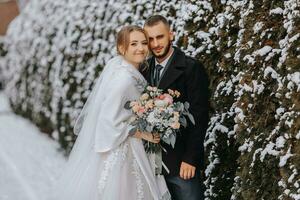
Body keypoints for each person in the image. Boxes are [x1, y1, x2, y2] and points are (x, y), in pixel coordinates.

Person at [55, 25, 171, 200]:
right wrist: (143, 134)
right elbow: (108, 121)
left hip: (133, 146)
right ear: (121, 48)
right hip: (123, 151)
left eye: (143, 43)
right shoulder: (123, 80)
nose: (140, 48)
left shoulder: (128, 70)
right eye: (133, 44)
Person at [143, 15, 209, 200]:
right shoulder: (144, 69)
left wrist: (191, 159)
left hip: (181, 162)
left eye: (160, 37)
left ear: (171, 35)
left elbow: (200, 116)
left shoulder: (191, 68)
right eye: (150, 39)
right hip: (150, 163)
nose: (155, 43)